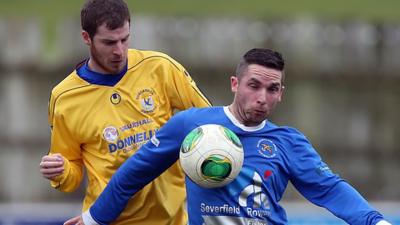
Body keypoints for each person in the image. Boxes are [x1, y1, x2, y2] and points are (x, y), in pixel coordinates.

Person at [64, 48, 392, 225]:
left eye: (272, 89)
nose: (262, 97)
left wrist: (374, 222)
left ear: (281, 94)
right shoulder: (192, 126)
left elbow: (330, 189)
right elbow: (135, 172)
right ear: (235, 84)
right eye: (254, 85)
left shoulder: (288, 142)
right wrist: (95, 218)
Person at [39, 0, 211, 224]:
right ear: (86, 38)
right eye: (109, 42)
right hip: (109, 220)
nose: (119, 51)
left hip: (173, 220)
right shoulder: (64, 98)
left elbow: (211, 124)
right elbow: (72, 177)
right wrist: (60, 171)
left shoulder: (160, 68)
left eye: (124, 39)